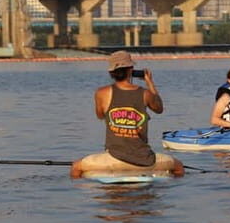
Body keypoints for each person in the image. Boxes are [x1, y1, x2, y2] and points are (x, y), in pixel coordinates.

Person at [70, 50, 184, 179]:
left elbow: (100, 115)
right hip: (145, 160)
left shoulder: (101, 93)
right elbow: (159, 108)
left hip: (113, 158)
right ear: (131, 70)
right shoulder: (146, 94)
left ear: (111, 73)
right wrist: (149, 82)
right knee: (179, 167)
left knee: (76, 167)